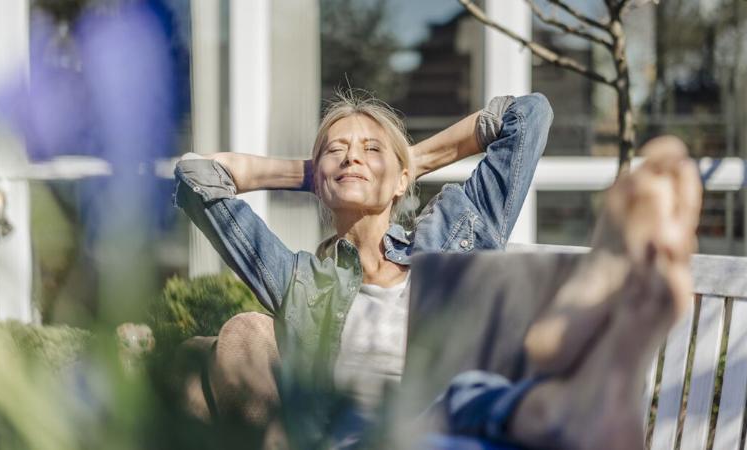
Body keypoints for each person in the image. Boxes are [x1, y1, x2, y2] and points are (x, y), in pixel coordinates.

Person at [173, 90, 702, 449]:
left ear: (404, 180)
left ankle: (568, 393)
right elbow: (198, 179)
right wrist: (321, 173)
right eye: (336, 152)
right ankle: (568, 388)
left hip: (462, 427)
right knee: (462, 398)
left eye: (370, 150)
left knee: (466, 395)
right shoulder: (298, 278)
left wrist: (409, 162)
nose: (352, 157)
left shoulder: (453, 233)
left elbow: (529, 114)